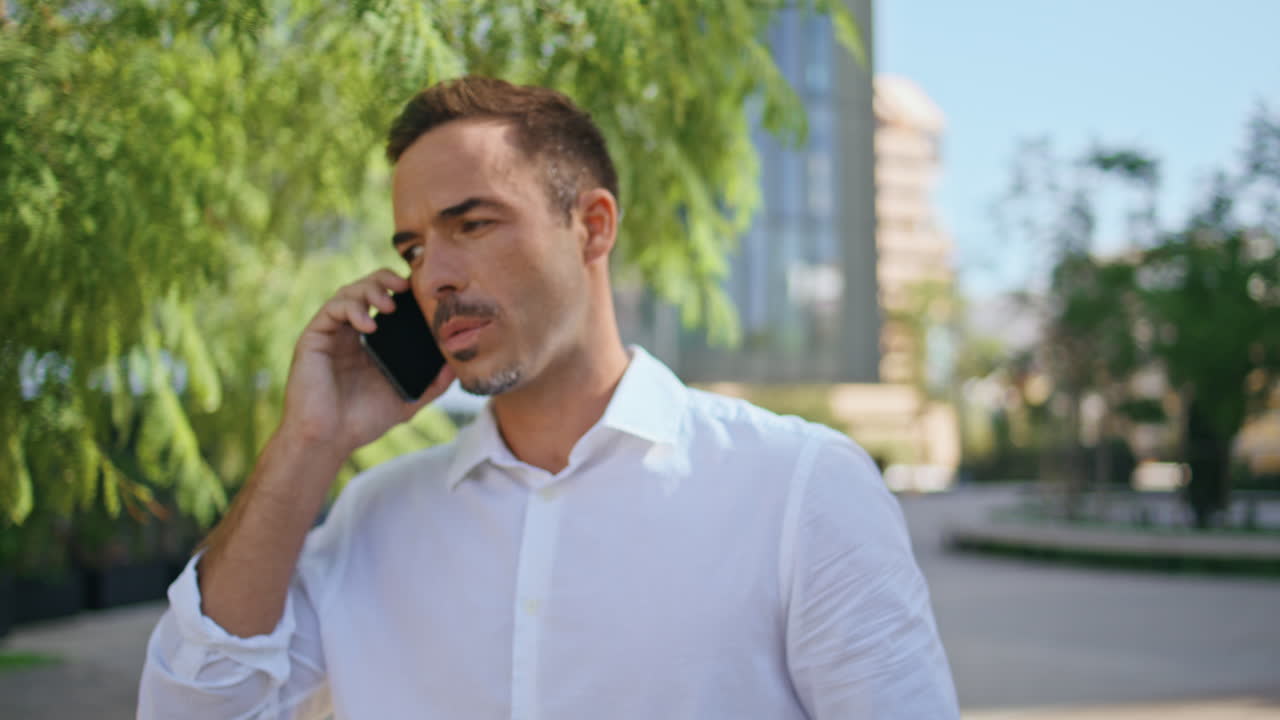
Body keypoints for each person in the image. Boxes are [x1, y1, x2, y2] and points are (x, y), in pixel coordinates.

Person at [138, 75, 959, 719]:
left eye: (474, 224)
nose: (437, 275)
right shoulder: (372, 520)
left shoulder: (798, 489)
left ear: (593, 226)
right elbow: (192, 710)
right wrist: (306, 442)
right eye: (414, 247)